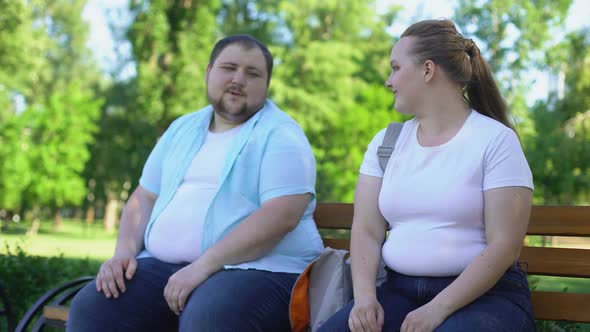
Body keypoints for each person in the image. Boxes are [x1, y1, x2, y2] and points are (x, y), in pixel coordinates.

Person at [68, 34, 324, 332]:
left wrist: (202, 267)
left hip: (260, 269)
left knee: (211, 316)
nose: (238, 79)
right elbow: (144, 197)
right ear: (209, 72)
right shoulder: (182, 128)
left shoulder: (282, 134)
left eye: (252, 73)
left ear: (266, 86)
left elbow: (282, 215)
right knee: (97, 306)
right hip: (168, 268)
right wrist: (123, 253)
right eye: (229, 68)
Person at [318, 19, 535, 332]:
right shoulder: (386, 142)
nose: (389, 81)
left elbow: (504, 246)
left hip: (486, 298)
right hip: (397, 292)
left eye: (395, 67)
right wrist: (365, 299)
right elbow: (366, 228)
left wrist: (437, 309)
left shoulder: (496, 141)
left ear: (428, 70)